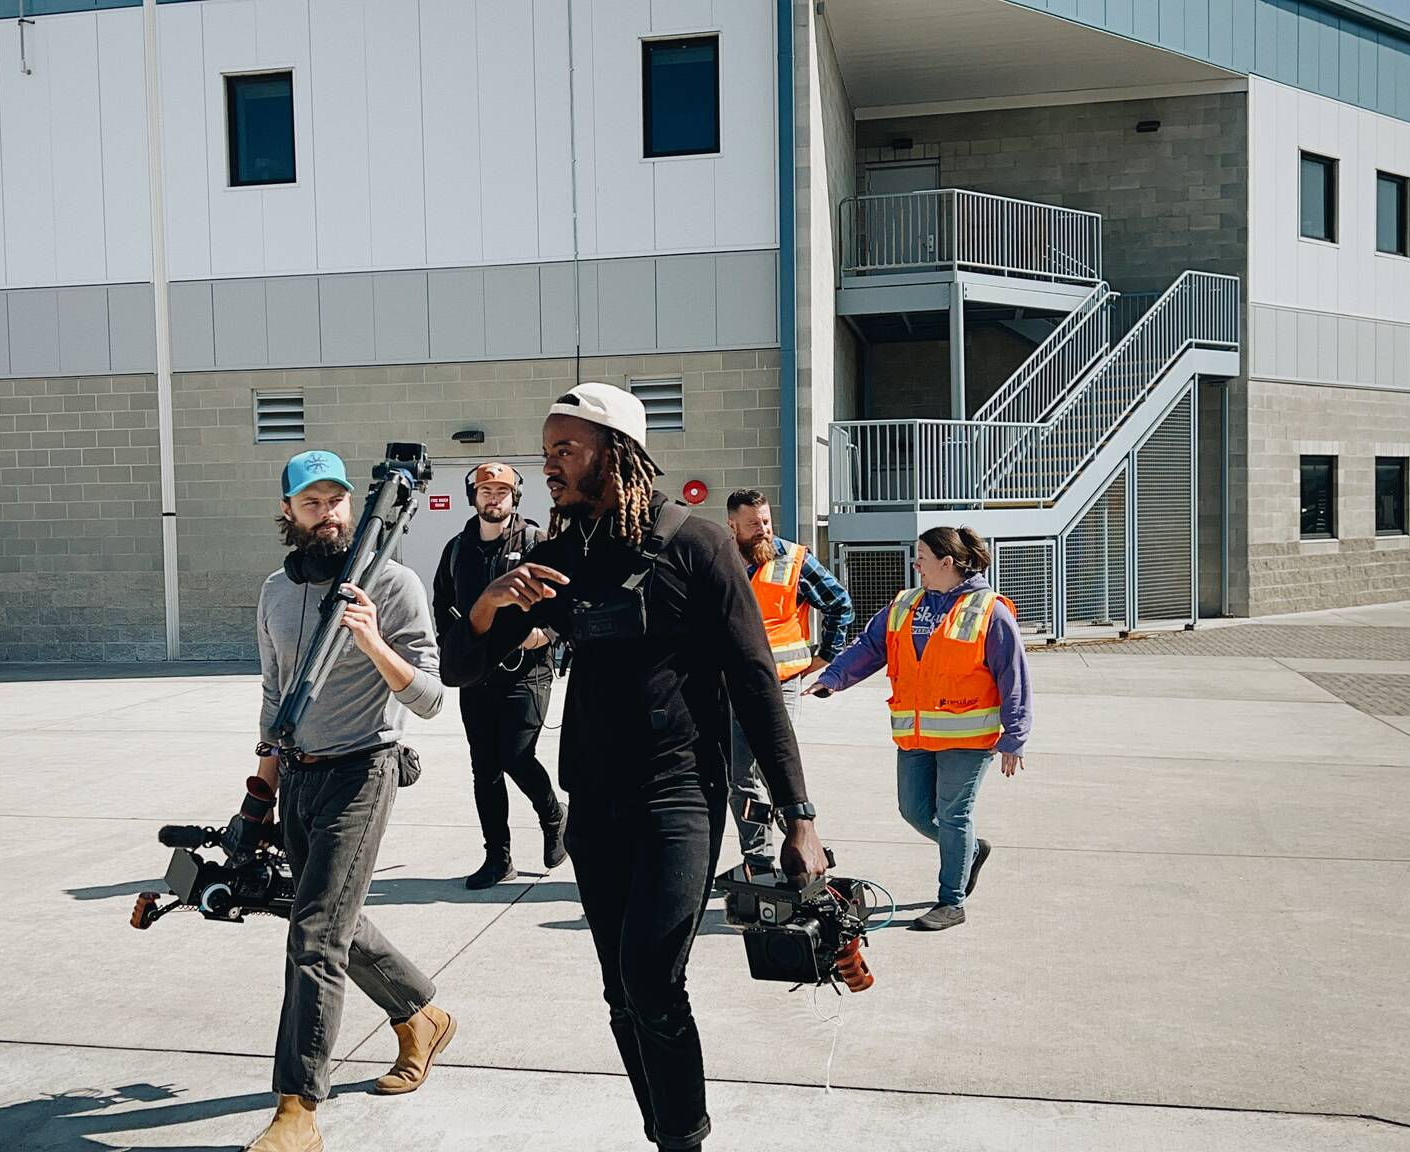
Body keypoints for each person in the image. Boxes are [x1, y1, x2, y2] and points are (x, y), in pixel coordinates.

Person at [441, 383, 827, 1152]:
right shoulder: (556, 559)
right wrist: (488, 605)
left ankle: (684, 1140)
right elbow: (460, 669)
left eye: (564, 449)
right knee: (622, 992)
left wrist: (799, 817)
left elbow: (755, 682)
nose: (549, 465)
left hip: (677, 795)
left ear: (615, 453)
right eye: (546, 451)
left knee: (653, 980)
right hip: (594, 803)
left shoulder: (697, 544)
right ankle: (666, 1133)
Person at [246, 449, 457, 1152]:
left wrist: (371, 641)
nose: (327, 514)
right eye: (311, 503)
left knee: (314, 935)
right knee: (333, 918)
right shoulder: (275, 591)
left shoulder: (391, 583)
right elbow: (275, 694)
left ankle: (297, 1108)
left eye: (336, 500)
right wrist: (259, 795)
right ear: (288, 513)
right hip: (299, 775)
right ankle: (420, 1016)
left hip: (364, 769)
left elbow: (429, 697)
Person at [804, 526, 1031, 932]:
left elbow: (1013, 674)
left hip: (968, 738)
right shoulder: (906, 605)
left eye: (922, 557)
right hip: (915, 734)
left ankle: (952, 901)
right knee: (913, 811)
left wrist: (1015, 736)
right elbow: (870, 646)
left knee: (954, 815)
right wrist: (833, 678)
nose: (916, 565)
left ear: (947, 562)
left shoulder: (988, 610)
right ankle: (969, 850)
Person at [431, 461, 568, 889]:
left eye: (502, 491)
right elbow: (442, 603)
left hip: (527, 673)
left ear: (515, 497)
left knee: (515, 755)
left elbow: (566, 600)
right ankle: (498, 857)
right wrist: (453, 645)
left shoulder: (536, 543)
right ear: (473, 496)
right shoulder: (457, 549)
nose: (494, 498)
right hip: (476, 675)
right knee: (485, 768)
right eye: (486, 490)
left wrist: (546, 635)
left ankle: (553, 817)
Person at [721, 488, 855, 875]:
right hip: (731, 683)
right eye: (753, 524)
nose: (763, 529)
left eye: (766, 521)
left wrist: (826, 655)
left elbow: (839, 603)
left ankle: (801, 843)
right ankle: (758, 861)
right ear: (732, 525)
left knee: (775, 769)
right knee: (741, 777)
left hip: (779, 683)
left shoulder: (794, 559)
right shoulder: (719, 559)